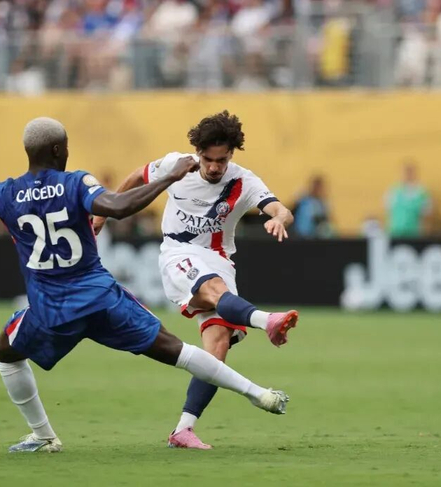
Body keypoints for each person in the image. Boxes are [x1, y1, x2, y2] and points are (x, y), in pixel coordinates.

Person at [0, 117, 289, 453]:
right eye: (66, 146)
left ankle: (43, 435)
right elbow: (117, 206)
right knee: (178, 351)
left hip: (50, 310)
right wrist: (167, 179)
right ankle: (258, 393)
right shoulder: (75, 183)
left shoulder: (6, 193)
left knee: (5, 352)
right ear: (58, 150)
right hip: (101, 299)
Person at [95, 111, 297, 449]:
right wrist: (103, 214)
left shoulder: (243, 181)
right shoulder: (177, 166)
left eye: (222, 160)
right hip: (178, 254)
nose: (215, 167)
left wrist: (279, 220)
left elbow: (281, 209)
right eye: (208, 159)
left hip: (219, 260)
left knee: (216, 350)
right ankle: (268, 321)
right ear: (198, 152)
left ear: (231, 154)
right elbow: (138, 175)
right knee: (214, 290)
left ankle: (183, 430)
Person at [385, 162, 431, 238]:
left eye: (410, 172)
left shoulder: (422, 193)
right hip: (395, 233)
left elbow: (426, 217)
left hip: (415, 234)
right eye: (405, 172)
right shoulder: (393, 191)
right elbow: (388, 212)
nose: (408, 175)